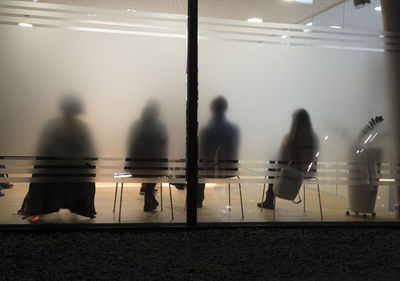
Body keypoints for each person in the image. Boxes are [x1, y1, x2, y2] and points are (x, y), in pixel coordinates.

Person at [18, 94, 96, 218]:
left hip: (56, 170)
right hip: (71, 170)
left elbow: (43, 148)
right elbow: (91, 151)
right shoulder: (81, 127)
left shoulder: (53, 125)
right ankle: (79, 206)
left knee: (43, 172)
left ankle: (42, 206)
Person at [258, 109, 319, 209]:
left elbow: (285, 160)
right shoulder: (314, 136)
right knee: (274, 165)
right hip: (311, 172)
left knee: (272, 165)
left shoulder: (292, 137)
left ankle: (269, 200)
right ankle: (269, 199)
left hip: (295, 173)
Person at [198, 96, 240, 208]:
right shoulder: (234, 129)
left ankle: (196, 199)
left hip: (209, 170)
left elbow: (201, 154)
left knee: (198, 168)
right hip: (229, 170)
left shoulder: (207, 129)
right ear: (226, 109)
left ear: (211, 109)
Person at [126, 100, 168, 212]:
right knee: (154, 169)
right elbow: (164, 146)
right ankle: (149, 193)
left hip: (135, 170)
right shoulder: (160, 127)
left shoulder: (136, 125)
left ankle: (148, 192)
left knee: (150, 169)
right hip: (154, 169)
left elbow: (130, 145)